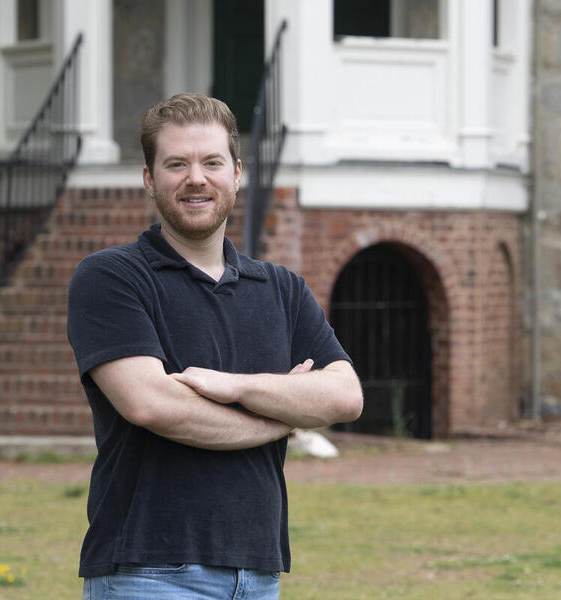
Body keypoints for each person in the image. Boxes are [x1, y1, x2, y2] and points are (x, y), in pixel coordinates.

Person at [67, 93, 363, 599]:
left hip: (258, 573)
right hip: (148, 571)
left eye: (211, 162)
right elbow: (151, 404)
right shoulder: (112, 278)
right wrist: (288, 414)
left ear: (237, 173)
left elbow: (344, 397)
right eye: (176, 164)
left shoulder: (281, 288)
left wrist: (232, 386)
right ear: (149, 179)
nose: (196, 178)